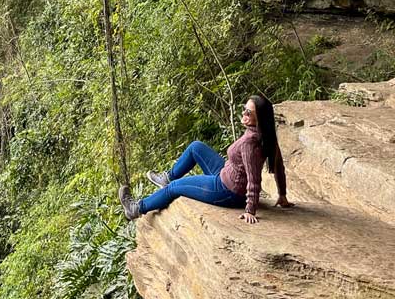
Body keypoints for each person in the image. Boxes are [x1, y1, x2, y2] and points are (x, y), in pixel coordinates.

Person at [118, 94, 295, 225]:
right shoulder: (267, 135)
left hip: (227, 190)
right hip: (228, 174)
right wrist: (282, 195)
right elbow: (278, 167)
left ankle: (136, 209)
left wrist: (250, 210)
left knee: (173, 189)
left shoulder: (250, 143)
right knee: (196, 147)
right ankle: (168, 177)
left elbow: (254, 178)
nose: (244, 113)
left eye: (248, 112)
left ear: (260, 119)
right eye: (244, 108)